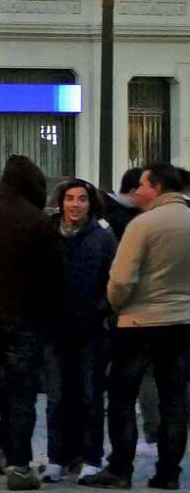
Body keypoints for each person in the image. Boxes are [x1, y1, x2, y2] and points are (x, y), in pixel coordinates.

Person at [0, 153, 63, 489]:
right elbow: (52, 275)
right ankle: (18, 466)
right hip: (22, 318)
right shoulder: (36, 220)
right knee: (20, 395)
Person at [84, 162, 190, 490]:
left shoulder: (143, 225)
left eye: (142, 185)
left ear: (157, 187)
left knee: (121, 396)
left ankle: (120, 469)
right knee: (174, 398)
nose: (137, 192)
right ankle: (169, 473)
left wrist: (116, 305)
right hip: (182, 320)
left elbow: (121, 278)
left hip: (139, 321)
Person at [47, 178, 115, 484]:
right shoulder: (48, 234)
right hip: (55, 329)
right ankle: (56, 459)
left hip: (90, 330)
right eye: (70, 198)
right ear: (61, 202)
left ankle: (91, 458)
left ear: (91, 203)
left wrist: (101, 310)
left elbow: (113, 279)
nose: (75, 204)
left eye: (82, 199)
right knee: (56, 398)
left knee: (90, 397)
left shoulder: (102, 237)